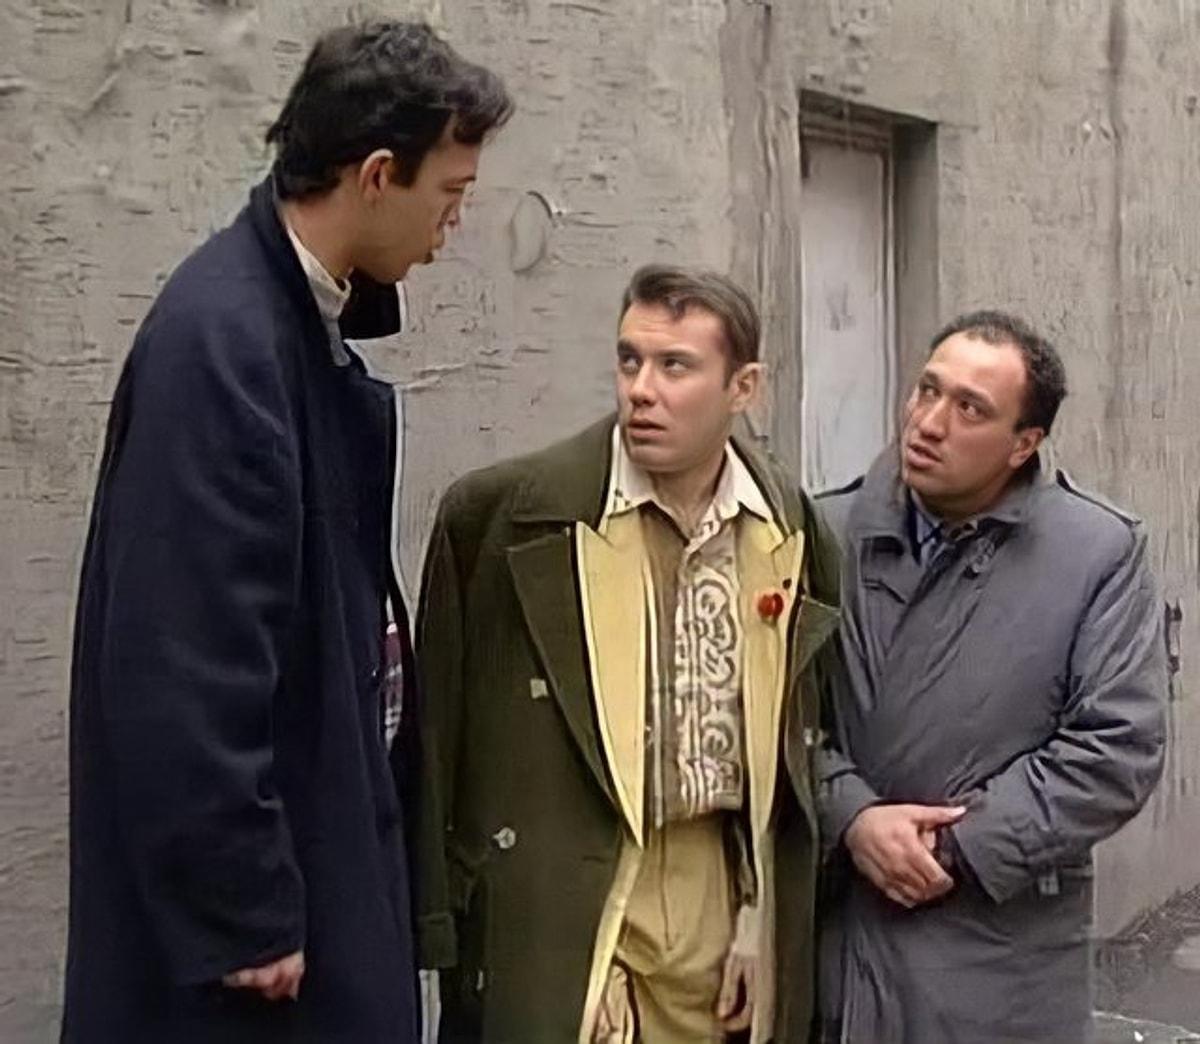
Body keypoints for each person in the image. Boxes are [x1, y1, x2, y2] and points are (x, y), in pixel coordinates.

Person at [61, 21, 511, 1042]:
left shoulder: (290, 324)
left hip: (316, 864)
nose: (455, 223)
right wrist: (244, 906)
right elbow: (183, 659)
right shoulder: (224, 343)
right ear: (377, 176)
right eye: (450, 193)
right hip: (257, 955)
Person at [414, 265, 843, 1043]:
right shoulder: (504, 517)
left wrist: (760, 911)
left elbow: (795, 749)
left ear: (743, 388)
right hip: (560, 879)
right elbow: (437, 739)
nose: (641, 390)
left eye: (675, 366)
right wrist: (443, 924)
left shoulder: (787, 526)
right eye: (629, 360)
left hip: (714, 878)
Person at [816, 310, 1167, 1043]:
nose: (929, 423)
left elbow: (1117, 748)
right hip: (838, 952)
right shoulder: (824, 533)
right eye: (927, 390)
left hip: (999, 957)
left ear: (1023, 444)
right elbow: (773, 722)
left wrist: (947, 848)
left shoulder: (1098, 553)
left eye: (970, 408)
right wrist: (850, 815)